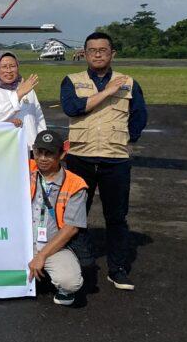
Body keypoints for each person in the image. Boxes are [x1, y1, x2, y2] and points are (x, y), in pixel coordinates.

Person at [60, 32, 147, 291]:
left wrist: (124, 138)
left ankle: (117, 269)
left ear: (112, 53)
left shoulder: (129, 83)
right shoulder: (72, 81)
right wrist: (109, 91)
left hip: (115, 159)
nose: (98, 54)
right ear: (84, 54)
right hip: (81, 157)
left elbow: (139, 115)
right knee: (76, 216)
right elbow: (72, 108)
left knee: (117, 217)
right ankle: (80, 265)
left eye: (103, 50)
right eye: (92, 50)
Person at [27, 130, 87, 306]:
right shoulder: (24, 168)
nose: (42, 158)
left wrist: (42, 256)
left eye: (49, 153)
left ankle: (56, 284)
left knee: (70, 282)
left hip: (54, 246)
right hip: (22, 244)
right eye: (39, 152)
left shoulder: (75, 184)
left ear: (61, 154)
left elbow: (71, 228)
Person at [0, 51, 46, 152]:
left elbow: (39, 118)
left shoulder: (27, 88)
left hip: (32, 147)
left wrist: (43, 143)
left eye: (12, 66)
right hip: (6, 149)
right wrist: (19, 94)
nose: (9, 70)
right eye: (4, 67)